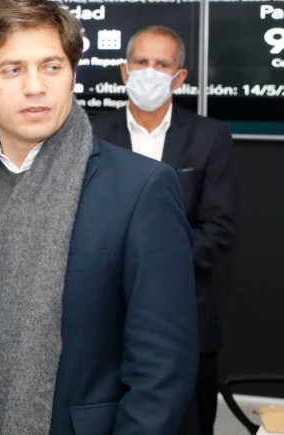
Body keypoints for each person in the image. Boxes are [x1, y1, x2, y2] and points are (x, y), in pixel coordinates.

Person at [0, 0, 198, 435]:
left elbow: (162, 369)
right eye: (12, 69)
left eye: (51, 66)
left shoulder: (141, 189)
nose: (35, 86)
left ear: (72, 74)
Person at [90, 25, 238, 435]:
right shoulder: (90, 135)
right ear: (124, 71)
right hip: (101, 322)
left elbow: (220, 230)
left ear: (179, 77)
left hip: (186, 321)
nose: (149, 71)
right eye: (141, 62)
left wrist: (149, 263)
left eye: (162, 64)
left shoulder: (210, 137)